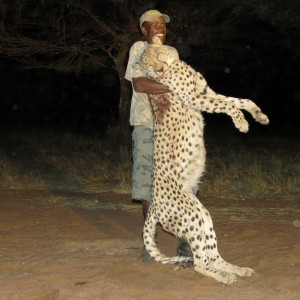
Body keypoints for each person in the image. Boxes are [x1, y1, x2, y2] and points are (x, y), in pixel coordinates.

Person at [125, 10, 192, 261]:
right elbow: (140, 84)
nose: (159, 27)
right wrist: (172, 85)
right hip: (145, 124)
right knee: (146, 187)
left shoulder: (172, 53)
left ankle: (185, 242)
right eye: (153, 24)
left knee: (179, 184)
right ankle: (149, 242)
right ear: (144, 30)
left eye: (162, 24)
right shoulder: (138, 48)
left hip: (172, 126)